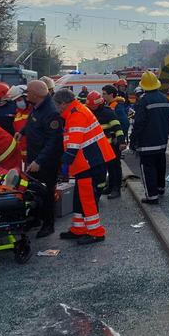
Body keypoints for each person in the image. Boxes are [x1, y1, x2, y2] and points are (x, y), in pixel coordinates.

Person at [53, 88, 114, 244]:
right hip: (88, 162)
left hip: (90, 163)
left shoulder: (76, 114)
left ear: (63, 103)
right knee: (79, 198)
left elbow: (73, 145)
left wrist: (63, 166)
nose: (56, 108)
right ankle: (79, 229)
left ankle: (96, 232)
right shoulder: (75, 111)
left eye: (57, 105)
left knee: (87, 199)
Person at [23, 80, 63, 238]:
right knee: (34, 190)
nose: (26, 94)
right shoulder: (37, 107)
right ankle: (36, 219)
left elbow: (53, 141)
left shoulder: (51, 112)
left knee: (47, 193)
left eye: (28, 92)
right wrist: (22, 131)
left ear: (35, 95)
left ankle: (48, 224)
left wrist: (39, 161)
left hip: (46, 162)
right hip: (34, 157)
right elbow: (31, 122)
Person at [129, 71, 169, 204]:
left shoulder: (144, 101)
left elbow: (139, 124)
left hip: (147, 143)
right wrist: (168, 132)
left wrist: (133, 141)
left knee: (148, 168)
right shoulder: (164, 98)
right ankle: (160, 188)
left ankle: (152, 196)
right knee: (160, 165)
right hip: (161, 141)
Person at [85, 91, 126, 199]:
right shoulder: (89, 111)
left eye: (93, 106)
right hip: (98, 147)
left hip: (111, 146)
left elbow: (117, 127)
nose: (92, 108)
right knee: (106, 169)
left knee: (114, 168)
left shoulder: (108, 112)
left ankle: (116, 189)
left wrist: (122, 142)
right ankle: (110, 187)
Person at [6, 85, 32, 158]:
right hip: (20, 153)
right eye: (16, 101)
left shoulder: (34, 112)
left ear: (26, 97)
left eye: (19, 99)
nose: (18, 102)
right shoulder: (18, 113)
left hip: (32, 153)